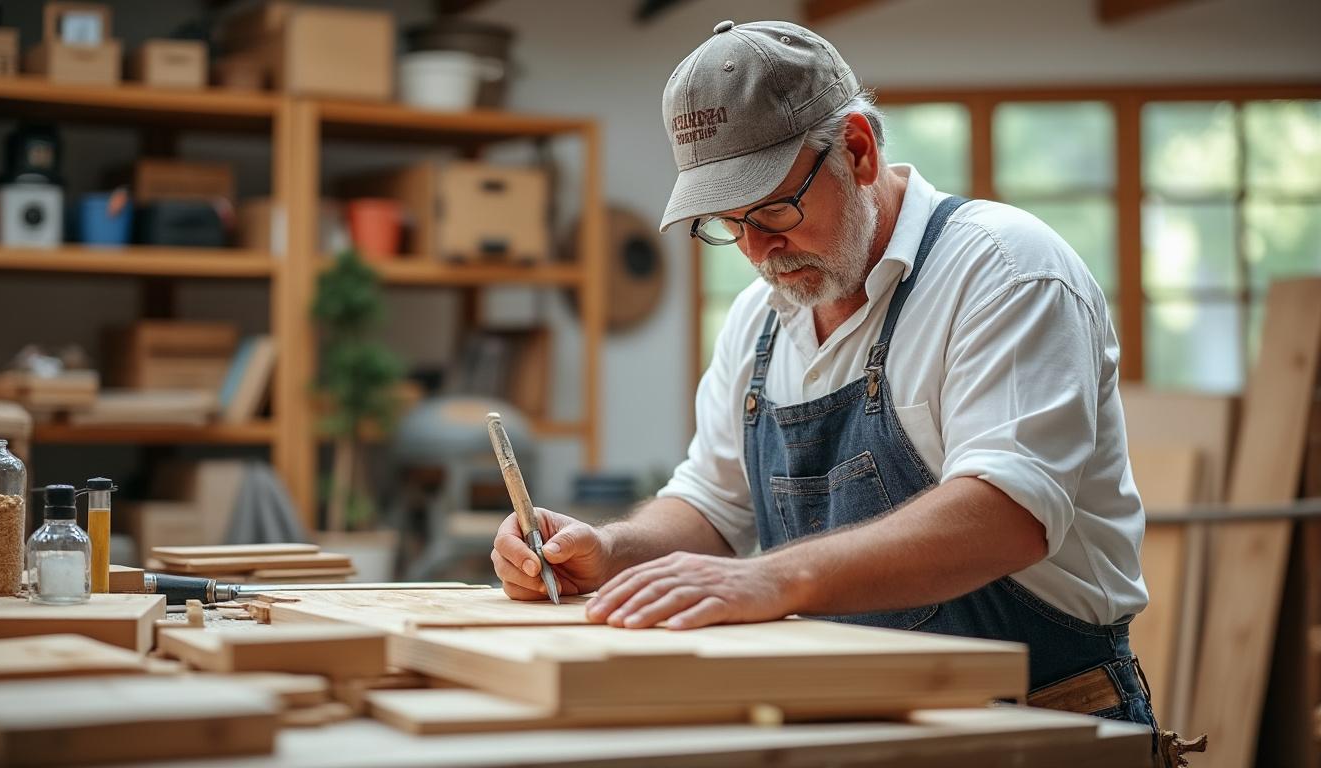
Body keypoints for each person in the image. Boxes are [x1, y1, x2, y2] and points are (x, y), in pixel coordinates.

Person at [491, 18, 1159, 736]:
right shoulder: (759, 320)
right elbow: (713, 506)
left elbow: (1006, 516)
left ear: (858, 152)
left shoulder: (1003, 271)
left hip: (1041, 723)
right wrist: (610, 552)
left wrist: (771, 577)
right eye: (728, 221)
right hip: (857, 723)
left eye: (775, 208)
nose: (756, 249)